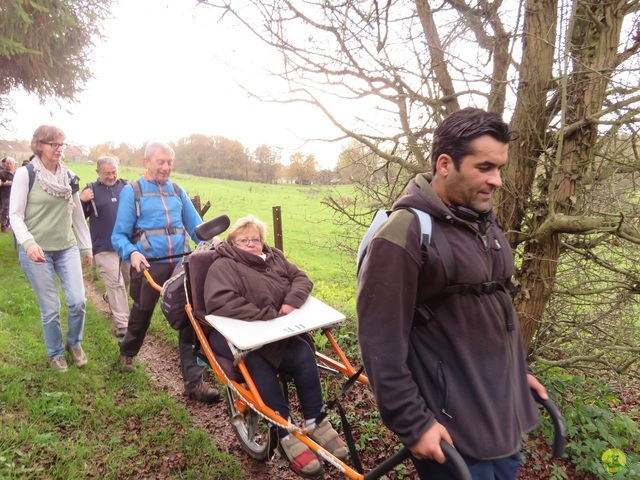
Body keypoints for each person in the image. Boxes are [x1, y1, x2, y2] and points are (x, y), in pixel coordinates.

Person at [357, 107, 548, 480]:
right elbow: (379, 343)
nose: (497, 181)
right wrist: (413, 423)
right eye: (485, 167)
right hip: (452, 431)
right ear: (445, 164)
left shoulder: (482, 222)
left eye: (500, 169)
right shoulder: (405, 234)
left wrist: (518, 370)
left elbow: (494, 309)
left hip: (501, 413)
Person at [204, 214, 348, 479]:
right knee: (258, 363)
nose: (251, 244)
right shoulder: (223, 266)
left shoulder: (275, 257)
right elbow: (220, 302)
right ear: (233, 242)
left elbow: (301, 279)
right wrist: (267, 314)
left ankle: (316, 421)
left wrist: (290, 303)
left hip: (275, 331)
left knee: (303, 352)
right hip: (234, 336)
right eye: (244, 240)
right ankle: (284, 431)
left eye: (256, 239)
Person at [111, 140, 219, 404]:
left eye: (169, 162)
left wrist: (212, 241)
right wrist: (132, 253)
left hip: (181, 261)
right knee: (143, 311)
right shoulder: (132, 191)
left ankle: (194, 382)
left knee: (190, 316)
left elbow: (196, 227)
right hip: (149, 263)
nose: (166, 167)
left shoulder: (176, 191)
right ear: (146, 161)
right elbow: (119, 236)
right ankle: (128, 350)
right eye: (160, 162)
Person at [9, 126, 92, 372]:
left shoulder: (69, 176)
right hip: (36, 251)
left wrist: (85, 247)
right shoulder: (26, 174)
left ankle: (73, 344)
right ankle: (55, 353)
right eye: (53, 144)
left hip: (66, 247)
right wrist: (28, 242)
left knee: (78, 301)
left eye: (62, 144)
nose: (59, 149)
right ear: (39, 145)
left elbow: (77, 214)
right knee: (51, 308)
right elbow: (14, 215)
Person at [80, 155, 130, 337]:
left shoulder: (126, 187)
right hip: (103, 245)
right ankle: (123, 324)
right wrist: (80, 200)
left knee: (126, 280)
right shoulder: (91, 190)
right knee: (116, 284)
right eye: (106, 173)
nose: (111, 176)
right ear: (98, 172)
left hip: (126, 245)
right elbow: (75, 217)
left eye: (114, 172)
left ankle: (111, 299)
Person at [1, 156, 16, 231]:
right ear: (5, 164)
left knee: (13, 210)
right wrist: (4, 184)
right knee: (5, 209)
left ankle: (10, 224)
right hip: (5, 194)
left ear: (14, 164)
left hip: (15, 195)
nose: (9, 165)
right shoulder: (2, 173)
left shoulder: (17, 173)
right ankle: (3, 225)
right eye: (7, 163)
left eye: (10, 164)